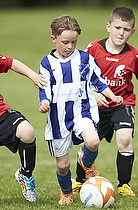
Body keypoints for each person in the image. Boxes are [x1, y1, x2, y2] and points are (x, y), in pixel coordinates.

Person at [39, 15, 123, 204]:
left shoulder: (85, 58)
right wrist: (44, 102)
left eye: (74, 42)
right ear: (54, 39)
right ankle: (67, 192)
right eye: (65, 42)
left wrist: (112, 96)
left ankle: (86, 163)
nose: (70, 46)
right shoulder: (47, 63)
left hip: (82, 111)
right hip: (58, 118)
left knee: (93, 141)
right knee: (63, 165)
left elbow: (98, 81)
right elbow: (44, 88)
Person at [72, 6, 137, 197]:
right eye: (117, 27)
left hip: (122, 104)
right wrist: (92, 93)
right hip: (95, 106)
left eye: (126, 30)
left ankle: (123, 185)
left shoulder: (134, 55)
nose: (121, 33)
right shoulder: (93, 49)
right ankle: (80, 180)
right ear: (108, 26)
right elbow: (78, 77)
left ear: (132, 32)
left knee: (125, 139)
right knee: (88, 144)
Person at [0, 54, 46, 202]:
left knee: (27, 131)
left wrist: (34, 76)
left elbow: (12, 63)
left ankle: (25, 175)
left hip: (0, 114)